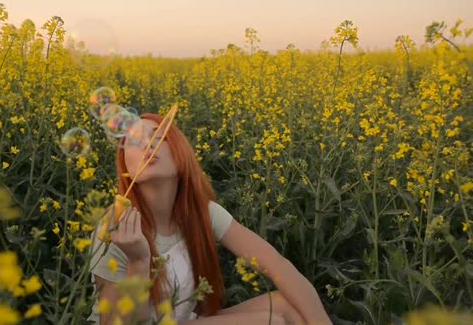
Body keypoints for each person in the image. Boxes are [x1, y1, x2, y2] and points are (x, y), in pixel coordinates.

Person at [87, 113, 331, 324]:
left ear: (180, 152)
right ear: (126, 167)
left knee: (287, 306)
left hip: (182, 320)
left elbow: (277, 265)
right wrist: (138, 262)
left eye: (158, 136)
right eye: (135, 141)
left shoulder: (201, 212)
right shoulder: (115, 228)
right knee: (273, 321)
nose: (148, 144)